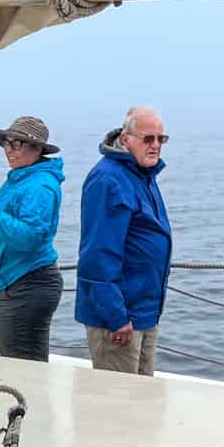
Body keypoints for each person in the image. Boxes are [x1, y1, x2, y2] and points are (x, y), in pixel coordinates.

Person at [75, 106, 172, 377]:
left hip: (144, 313)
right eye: (148, 139)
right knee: (117, 407)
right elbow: (97, 255)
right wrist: (115, 316)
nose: (155, 145)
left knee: (142, 402)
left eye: (160, 139)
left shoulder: (142, 175)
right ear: (126, 138)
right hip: (119, 320)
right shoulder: (109, 180)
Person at [0, 115, 64, 362]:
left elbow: (29, 238)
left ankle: (28, 402)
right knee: (20, 366)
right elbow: (4, 225)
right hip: (15, 285)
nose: (9, 150)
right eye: (7, 143)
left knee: (22, 370)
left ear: (37, 149)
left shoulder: (40, 186)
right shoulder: (21, 178)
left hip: (27, 285)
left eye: (17, 144)